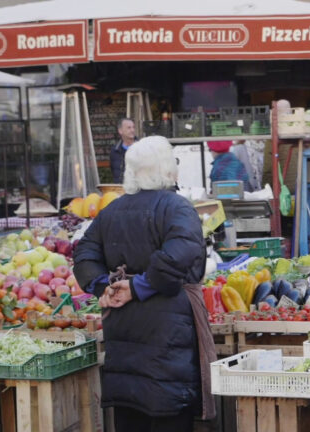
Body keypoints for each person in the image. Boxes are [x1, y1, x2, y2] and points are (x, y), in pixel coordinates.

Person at [74, 136, 215, 431]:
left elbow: (84, 253)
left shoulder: (110, 211)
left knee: (131, 411)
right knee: (168, 412)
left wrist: (104, 287)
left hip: (123, 325)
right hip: (167, 332)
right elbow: (182, 252)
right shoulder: (177, 207)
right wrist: (138, 286)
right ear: (166, 169)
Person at [109, 118, 136, 183]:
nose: (132, 130)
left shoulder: (142, 148)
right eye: (129, 128)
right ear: (120, 131)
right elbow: (114, 171)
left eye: (133, 127)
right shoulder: (114, 151)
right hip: (119, 190)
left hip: (137, 190)